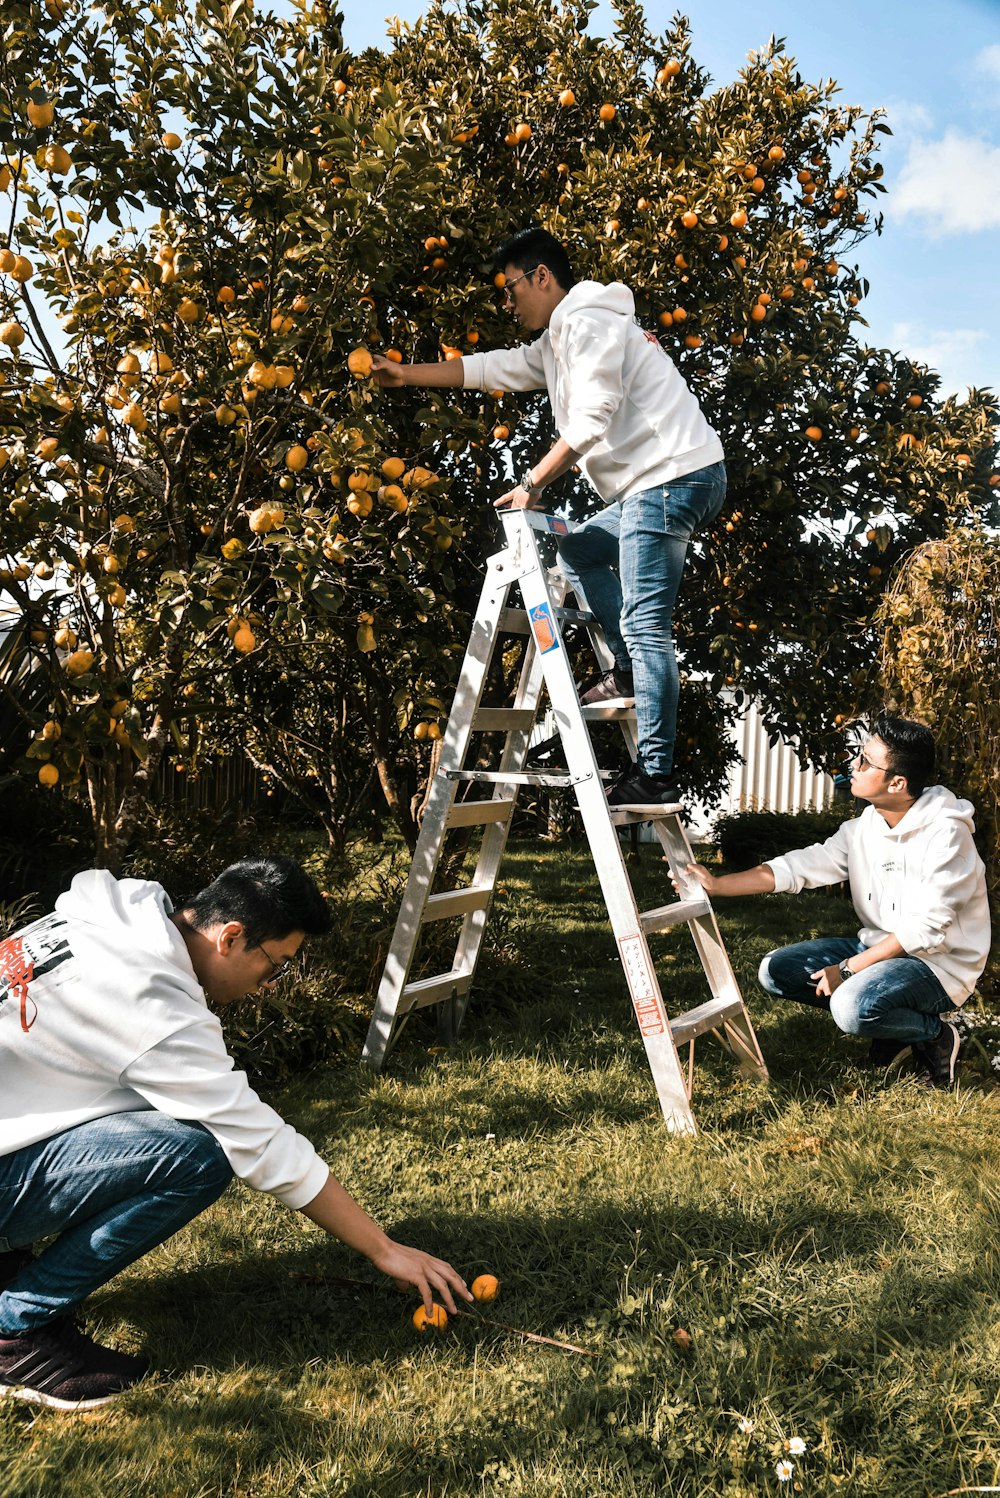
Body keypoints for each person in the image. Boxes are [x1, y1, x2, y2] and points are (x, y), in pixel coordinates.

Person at [0, 856, 471, 1410]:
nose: (270, 985)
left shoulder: (107, 921)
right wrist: (383, 1249)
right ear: (230, 937)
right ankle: (14, 1331)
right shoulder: (146, 1000)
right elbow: (259, 1141)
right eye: (276, 966)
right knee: (196, 1156)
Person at [372, 226, 726, 809]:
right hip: (661, 481)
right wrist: (405, 373)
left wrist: (532, 484)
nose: (507, 304)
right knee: (580, 551)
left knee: (646, 626)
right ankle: (633, 673)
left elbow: (591, 420)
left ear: (542, 276)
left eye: (511, 289)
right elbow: (493, 369)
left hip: (668, 478)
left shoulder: (588, 322)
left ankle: (658, 771)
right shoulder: (559, 339)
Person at [680, 714, 991, 1086]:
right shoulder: (864, 828)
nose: (854, 766)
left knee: (851, 1007)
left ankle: (935, 1036)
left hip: (939, 965)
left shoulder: (947, 834)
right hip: (880, 951)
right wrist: (717, 884)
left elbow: (924, 930)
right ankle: (893, 1030)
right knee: (777, 971)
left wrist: (847, 970)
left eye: (866, 762)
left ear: (897, 782)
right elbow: (799, 867)